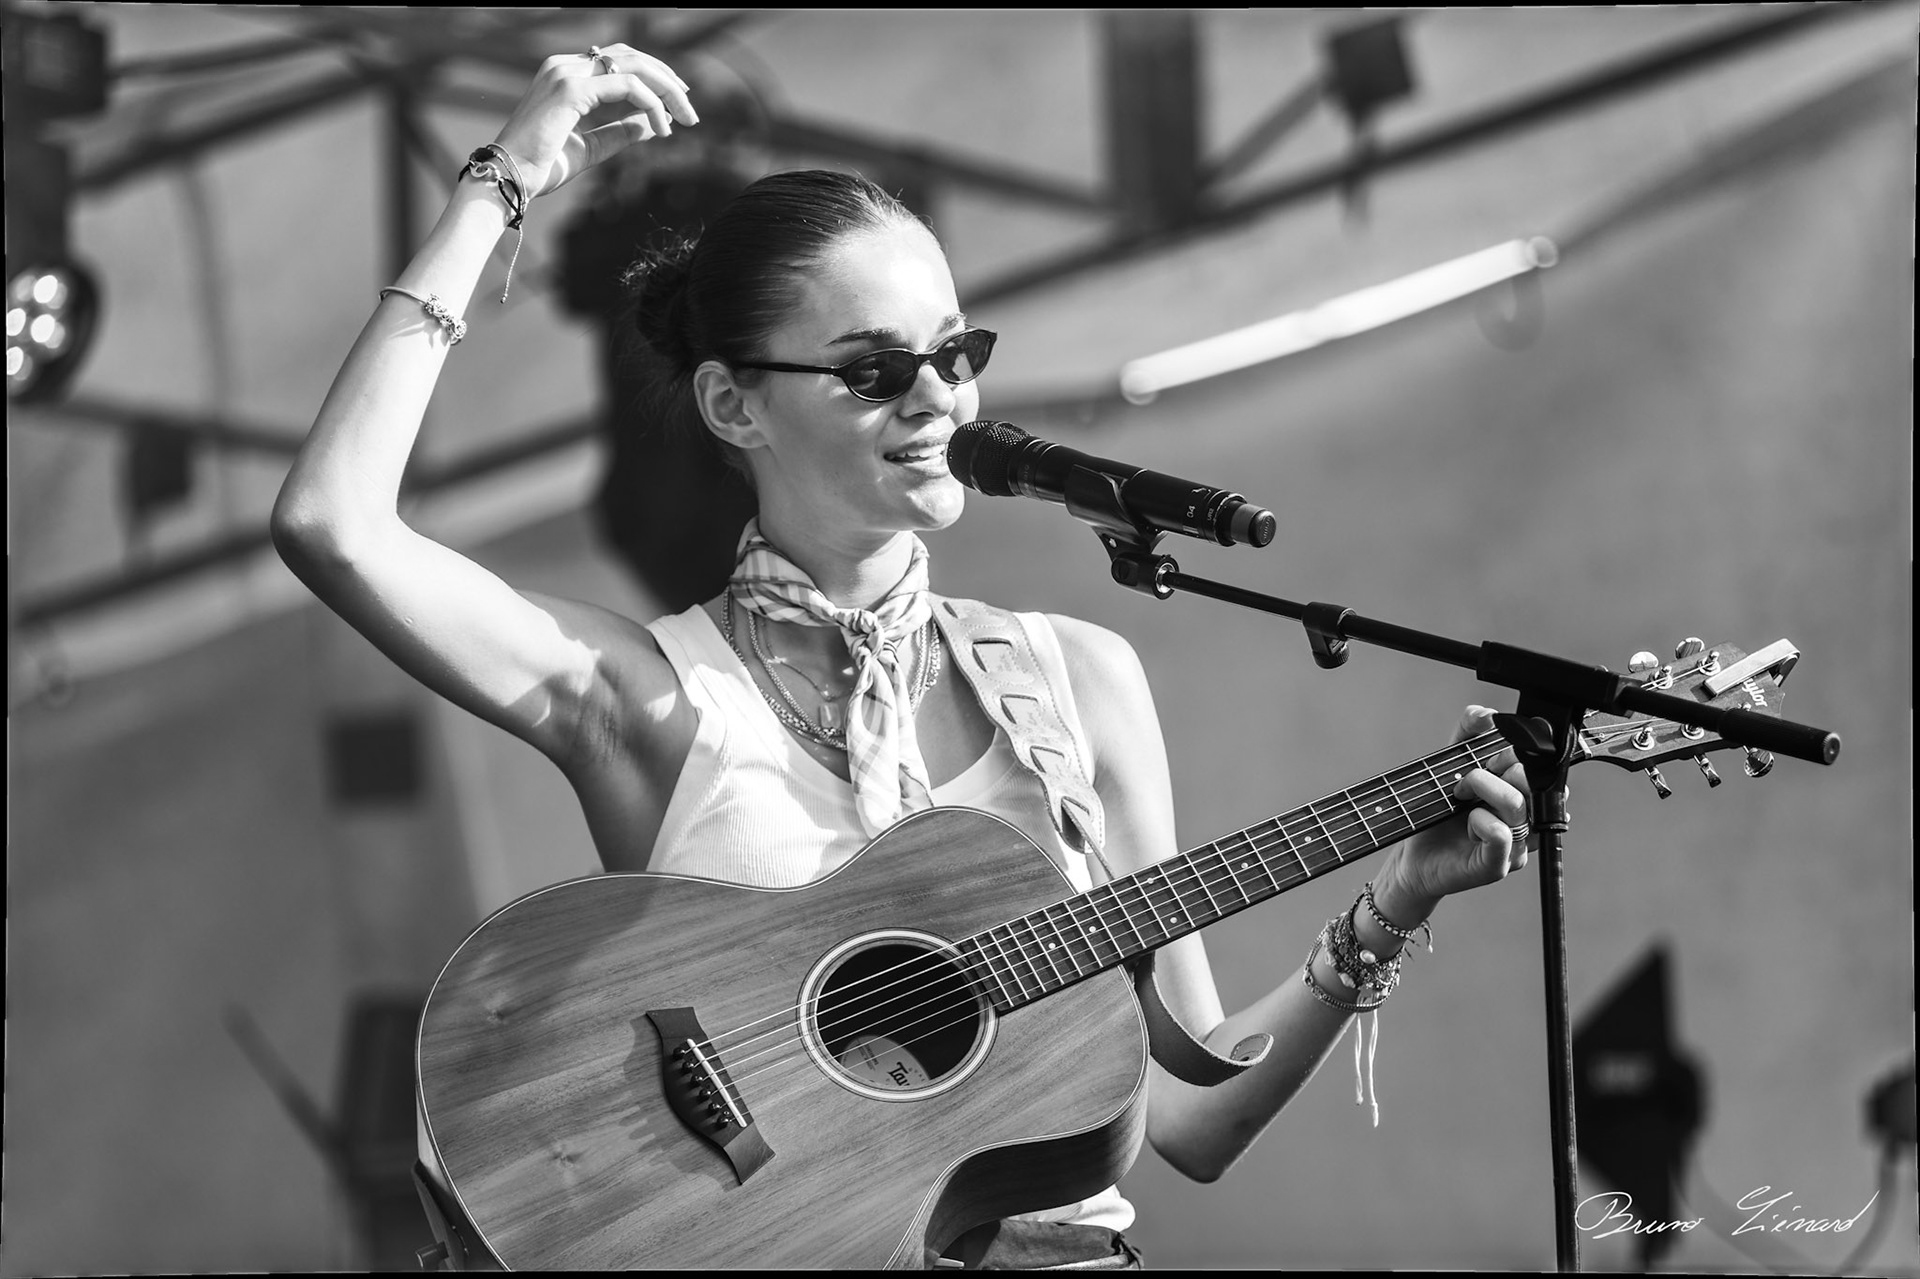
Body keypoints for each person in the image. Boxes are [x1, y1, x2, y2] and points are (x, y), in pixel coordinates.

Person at [272, 43, 1534, 1270]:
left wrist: (1395, 903)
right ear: (733, 404)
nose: (936, 397)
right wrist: (501, 182)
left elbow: (1192, 1116)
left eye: (955, 353)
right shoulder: (650, 696)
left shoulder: (1075, 680)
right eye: (876, 369)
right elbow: (334, 525)